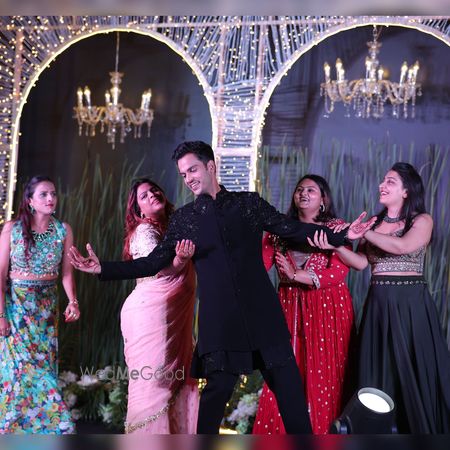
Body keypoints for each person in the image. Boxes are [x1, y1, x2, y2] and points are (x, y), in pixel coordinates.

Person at [69, 141, 375, 434]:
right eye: (183, 174)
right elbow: (152, 263)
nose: (188, 178)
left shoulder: (248, 203)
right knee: (216, 394)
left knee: (290, 393)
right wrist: (102, 268)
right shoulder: (186, 219)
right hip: (221, 321)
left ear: (211, 166)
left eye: (192, 170)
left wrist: (343, 235)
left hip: (263, 314)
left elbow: (292, 228)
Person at [310, 162, 450, 433]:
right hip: (378, 304)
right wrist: (335, 245)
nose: (381, 186)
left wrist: (363, 232)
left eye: (390, 182)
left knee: (413, 368)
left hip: (410, 304)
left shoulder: (421, 220)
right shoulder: (374, 222)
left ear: (407, 191)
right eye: (383, 181)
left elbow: (402, 246)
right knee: (378, 371)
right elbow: (361, 263)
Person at [253, 175, 356, 434]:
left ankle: (325, 434)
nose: (303, 193)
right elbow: (258, 267)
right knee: (286, 371)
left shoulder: (336, 228)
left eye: (311, 190)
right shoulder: (278, 229)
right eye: (299, 189)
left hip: (328, 308)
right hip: (288, 307)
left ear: (323, 199)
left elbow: (339, 272)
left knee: (326, 372)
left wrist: (298, 275)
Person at [0, 175, 79, 434]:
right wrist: (1, 315)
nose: (50, 198)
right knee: (19, 373)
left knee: (43, 372)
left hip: (46, 312)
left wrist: (73, 301)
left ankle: (44, 432)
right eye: (43, 194)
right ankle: (12, 430)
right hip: (16, 310)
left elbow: (66, 273)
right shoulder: (12, 229)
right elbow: (0, 274)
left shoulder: (63, 230)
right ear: (30, 201)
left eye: (53, 193)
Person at [120, 178, 199, 434]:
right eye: (144, 196)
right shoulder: (144, 231)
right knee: (155, 387)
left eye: (154, 190)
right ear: (139, 210)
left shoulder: (175, 227)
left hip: (172, 313)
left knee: (175, 381)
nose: (152, 195)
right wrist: (180, 260)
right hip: (150, 314)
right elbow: (159, 270)